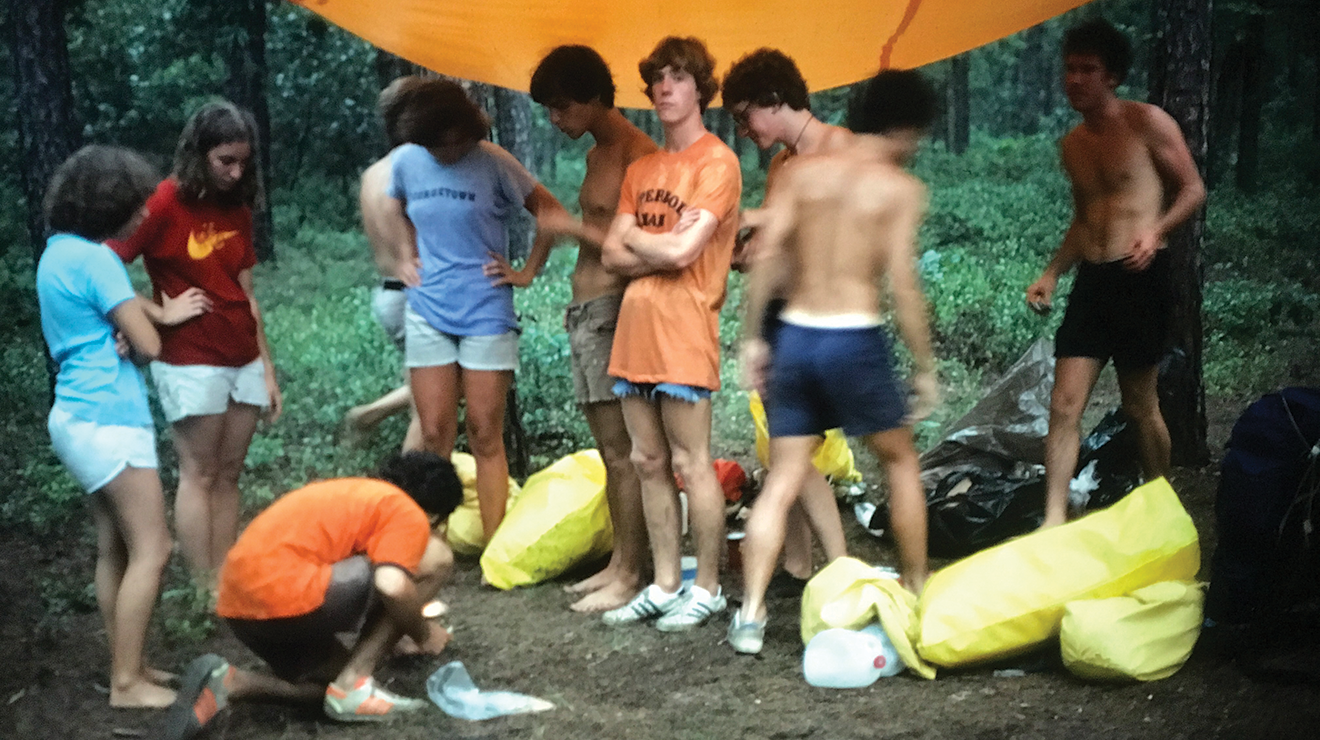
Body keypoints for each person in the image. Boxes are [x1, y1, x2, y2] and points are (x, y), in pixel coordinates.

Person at [729, 70, 941, 654]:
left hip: (795, 336)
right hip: (854, 337)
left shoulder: (802, 175)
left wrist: (753, 340)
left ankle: (748, 617)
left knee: (783, 477)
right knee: (899, 461)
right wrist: (923, 367)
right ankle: (917, 588)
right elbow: (902, 284)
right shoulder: (896, 188)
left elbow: (769, 258)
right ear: (907, 129)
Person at [37, 145, 210, 707]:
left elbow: (118, 323)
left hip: (75, 415)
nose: (143, 214)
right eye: (134, 205)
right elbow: (151, 345)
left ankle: (128, 663)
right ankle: (127, 683)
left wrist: (130, 325)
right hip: (109, 415)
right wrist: (139, 331)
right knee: (154, 548)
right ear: (106, 205)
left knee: (114, 546)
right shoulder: (99, 260)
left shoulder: (57, 254)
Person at [1025, 18, 1206, 528]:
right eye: (1069, 69)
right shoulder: (1073, 145)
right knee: (1064, 404)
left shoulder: (1148, 122)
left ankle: (1162, 507)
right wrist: (1052, 273)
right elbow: (1084, 221)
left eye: (1088, 70)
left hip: (1141, 278)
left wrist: (1157, 230)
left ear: (1113, 76)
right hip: (1094, 283)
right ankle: (1053, 521)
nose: (1075, 79)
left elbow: (1193, 189)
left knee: (1139, 405)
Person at [594, 37, 742, 632]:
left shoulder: (717, 162)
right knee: (647, 459)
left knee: (691, 460)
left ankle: (706, 587)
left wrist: (645, 244)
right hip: (634, 330)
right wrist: (660, 247)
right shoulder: (642, 168)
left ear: (700, 89)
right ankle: (664, 582)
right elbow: (610, 254)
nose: (663, 89)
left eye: (677, 78)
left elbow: (687, 251)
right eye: (656, 79)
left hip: (686, 328)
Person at [160, 451, 462, 739]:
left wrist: (397, 633)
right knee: (436, 558)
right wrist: (423, 634)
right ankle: (355, 681)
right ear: (433, 513)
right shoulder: (404, 509)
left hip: (240, 606)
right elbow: (392, 585)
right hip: (286, 593)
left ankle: (231, 683)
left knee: (329, 692)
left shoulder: (356, 494)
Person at [384, 79, 570, 543]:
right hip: (428, 308)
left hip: (485, 308)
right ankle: (431, 542)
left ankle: (495, 544)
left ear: (466, 129)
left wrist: (527, 271)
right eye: (435, 144)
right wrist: (406, 256)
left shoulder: (494, 162)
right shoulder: (408, 161)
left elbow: (550, 212)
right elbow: (398, 206)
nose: (446, 152)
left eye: (453, 142)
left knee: (485, 430)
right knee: (433, 432)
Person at [113, 101, 283, 591]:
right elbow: (104, 266)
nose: (235, 171)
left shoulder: (238, 206)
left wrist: (267, 369)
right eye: (224, 161)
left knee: (229, 473)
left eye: (242, 162)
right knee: (199, 472)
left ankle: (226, 578)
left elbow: (247, 293)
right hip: (189, 358)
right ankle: (201, 583)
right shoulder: (164, 201)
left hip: (242, 354)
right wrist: (154, 312)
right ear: (199, 153)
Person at [529, 45, 660, 612]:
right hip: (584, 312)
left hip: (613, 312)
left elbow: (642, 250)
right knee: (608, 450)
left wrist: (568, 227)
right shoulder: (596, 156)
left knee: (626, 450)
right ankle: (619, 562)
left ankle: (633, 571)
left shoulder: (641, 156)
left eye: (561, 107)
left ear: (595, 97)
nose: (555, 120)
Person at [721, 47, 851, 590]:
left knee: (792, 448)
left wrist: (759, 221)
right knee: (784, 443)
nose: (744, 130)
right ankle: (798, 565)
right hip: (777, 313)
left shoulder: (840, 148)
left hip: (824, 316)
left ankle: (843, 567)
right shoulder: (781, 163)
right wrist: (741, 250)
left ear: (773, 101)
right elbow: (770, 244)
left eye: (744, 115)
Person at [342, 76, 428, 451]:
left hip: (387, 293)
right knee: (430, 406)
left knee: (435, 384)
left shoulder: (371, 174)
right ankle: (407, 491)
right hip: (415, 293)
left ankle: (369, 415)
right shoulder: (415, 171)